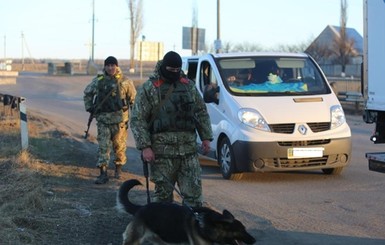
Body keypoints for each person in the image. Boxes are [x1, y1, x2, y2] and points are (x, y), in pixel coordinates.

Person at [130, 51, 213, 207]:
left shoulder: (188, 86)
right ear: (163, 67)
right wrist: (145, 147)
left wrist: (206, 137)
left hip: (188, 151)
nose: (174, 73)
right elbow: (138, 119)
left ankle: (189, 231)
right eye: (171, 70)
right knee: (163, 198)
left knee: (194, 198)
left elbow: (200, 112)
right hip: (162, 153)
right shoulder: (150, 88)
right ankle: (163, 231)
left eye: (177, 70)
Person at [83, 56, 137, 184]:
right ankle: (103, 173)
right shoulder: (98, 81)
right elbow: (87, 93)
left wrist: (136, 116)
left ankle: (118, 169)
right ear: (105, 67)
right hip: (103, 121)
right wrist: (90, 107)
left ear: (117, 66)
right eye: (108, 65)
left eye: (113, 65)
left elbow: (134, 100)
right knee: (103, 147)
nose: (111, 68)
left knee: (119, 147)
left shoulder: (125, 82)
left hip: (120, 122)